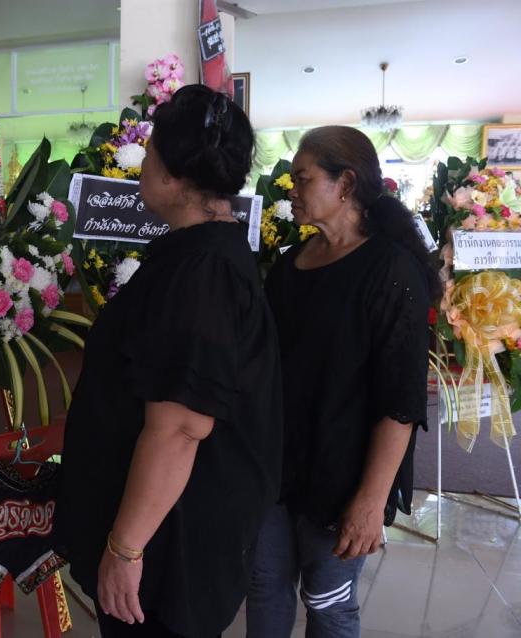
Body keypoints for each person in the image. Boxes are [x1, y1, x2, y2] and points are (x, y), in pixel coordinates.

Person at [56, 85, 283, 638]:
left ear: (177, 176)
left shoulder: (202, 271)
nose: (145, 160)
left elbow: (180, 426)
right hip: (173, 522)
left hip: (171, 540)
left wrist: (126, 548)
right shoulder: (201, 249)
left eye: (153, 148)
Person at [245, 126, 441, 638]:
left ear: (345, 184)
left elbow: (400, 400)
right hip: (277, 468)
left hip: (345, 475)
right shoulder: (289, 266)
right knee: (265, 589)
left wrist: (371, 501)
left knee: (328, 605)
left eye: (303, 179)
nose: (292, 189)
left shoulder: (391, 270)